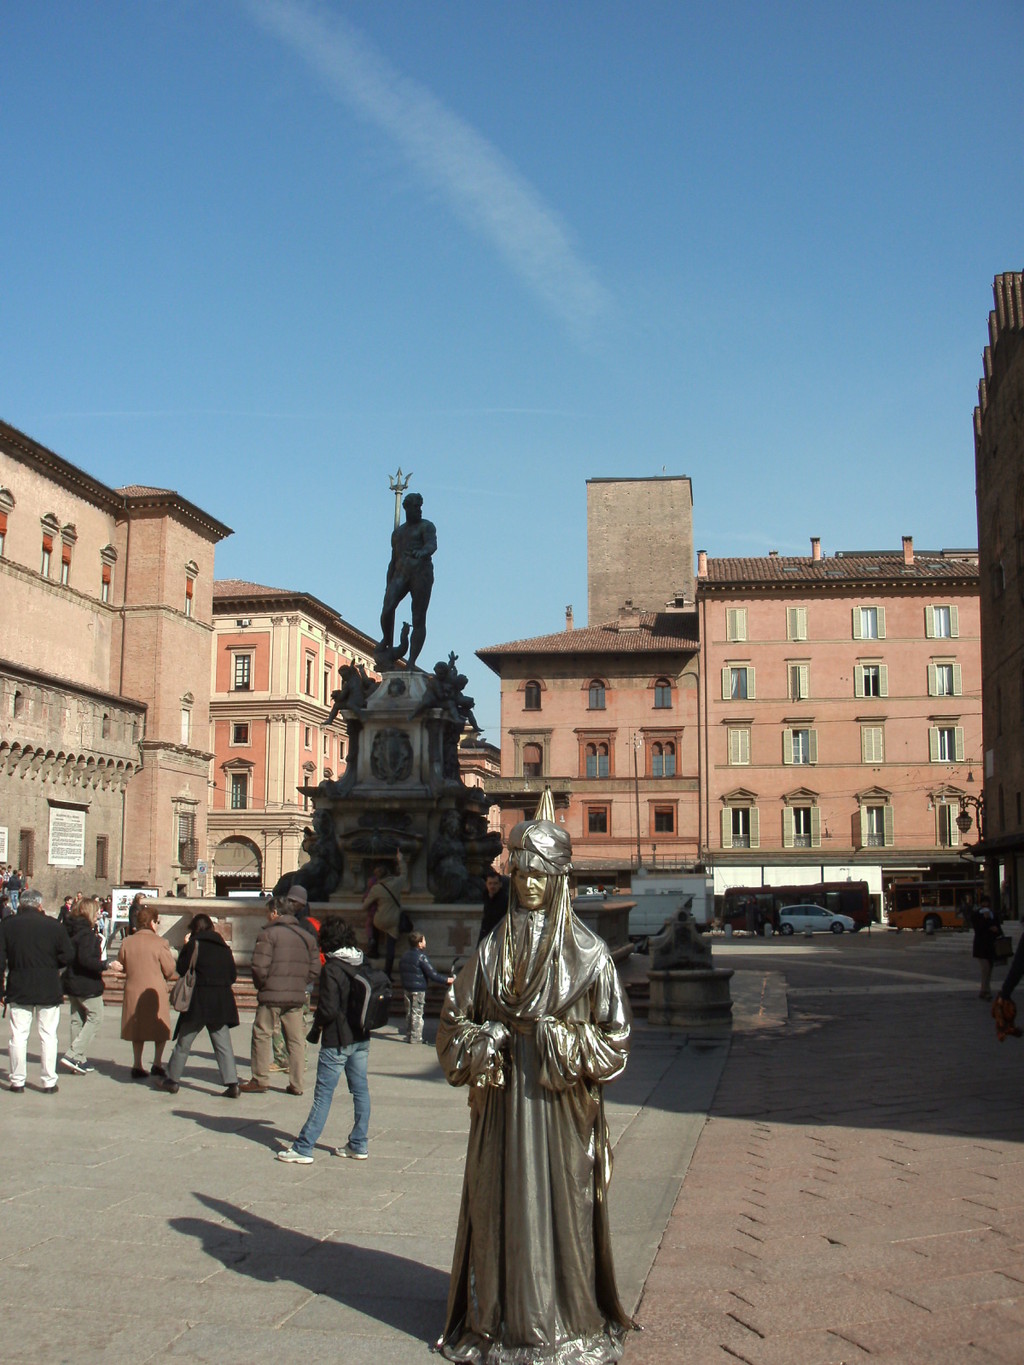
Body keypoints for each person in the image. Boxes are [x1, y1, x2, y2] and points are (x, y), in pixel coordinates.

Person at [436, 791, 633, 1364]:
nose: (527, 885)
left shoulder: (591, 954)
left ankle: (570, 1322)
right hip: (502, 1109)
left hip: (560, 1109)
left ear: (560, 881)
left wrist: (561, 1040)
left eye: (540, 875)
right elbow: (453, 1024)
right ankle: (500, 1321)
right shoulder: (491, 951)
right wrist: (489, 1038)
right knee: (500, 1208)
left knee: (566, 1208)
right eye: (521, 873)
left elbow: (616, 1041)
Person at [277, 917, 373, 1164]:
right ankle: (359, 1144)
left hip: (338, 1039)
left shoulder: (331, 968)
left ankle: (304, 1147)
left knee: (323, 1095)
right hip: (361, 1036)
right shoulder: (362, 961)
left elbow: (328, 1009)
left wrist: (316, 1026)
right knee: (360, 1091)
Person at [240, 895, 320, 1095]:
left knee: (262, 1033)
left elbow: (259, 966)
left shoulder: (268, 934)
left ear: (275, 913)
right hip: (296, 995)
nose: (267, 916)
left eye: (268, 912)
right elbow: (315, 967)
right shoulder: (306, 936)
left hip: (271, 995)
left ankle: (260, 1079)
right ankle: (297, 1083)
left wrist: (263, 985)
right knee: (296, 1039)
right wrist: (301, 982)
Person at [0, 888, 74, 1093]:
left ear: (21, 904)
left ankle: (17, 1080)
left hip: (19, 985)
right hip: (48, 985)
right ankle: (49, 1081)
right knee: (48, 1035)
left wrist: (1, 988)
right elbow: (68, 955)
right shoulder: (54, 926)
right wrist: (53, 964)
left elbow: (0, 959)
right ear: (40, 905)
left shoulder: (7, 925)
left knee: (18, 1035)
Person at [160, 913, 240, 1098]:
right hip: (220, 1001)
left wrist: (185, 945)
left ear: (194, 929)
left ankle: (172, 1079)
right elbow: (232, 975)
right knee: (223, 1044)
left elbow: (182, 969)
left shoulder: (194, 944)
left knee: (184, 1041)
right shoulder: (224, 948)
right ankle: (232, 1083)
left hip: (198, 1000)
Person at [108, 902, 176, 1078]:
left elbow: (122, 963)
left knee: (137, 1027)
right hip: (155, 990)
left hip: (133, 988)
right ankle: (157, 1062)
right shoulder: (161, 942)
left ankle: (137, 1063)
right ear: (152, 922)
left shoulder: (127, 941)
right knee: (159, 1026)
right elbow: (169, 970)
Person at [379, 491, 436, 669]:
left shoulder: (427, 526)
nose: (419, 510)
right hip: (400, 573)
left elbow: (432, 545)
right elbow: (393, 560)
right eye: (416, 507)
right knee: (387, 608)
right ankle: (387, 639)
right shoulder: (397, 533)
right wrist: (388, 582)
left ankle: (411, 661)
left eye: (420, 507)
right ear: (406, 508)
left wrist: (423, 552)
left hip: (421, 573)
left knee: (418, 618)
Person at [61, 896, 106, 1075]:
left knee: (77, 1019)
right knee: (96, 1017)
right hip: (86, 983)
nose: (99, 915)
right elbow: (86, 959)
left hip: (71, 979)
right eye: (97, 912)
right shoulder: (86, 934)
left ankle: (78, 1060)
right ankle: (73, 1054)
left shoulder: (70, 929)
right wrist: (105, 964)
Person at [360, 850, 408, 979]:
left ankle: (373, 946)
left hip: (380, 920)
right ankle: (388, 973)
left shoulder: (376, 888)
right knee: (390, 947)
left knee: (373, 924)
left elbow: (365, 906)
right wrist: (400, 859)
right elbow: (404, 873)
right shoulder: (397, 882)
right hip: (394, 920)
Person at [399, 931, 453, 1044]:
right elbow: (432, 974)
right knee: (417, 1013)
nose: (425, 942)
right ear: (419, 943)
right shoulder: (421, 957)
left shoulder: (404, 955)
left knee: (409, 1013)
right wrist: (448, 980)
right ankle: (416, 1037)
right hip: (418, 989)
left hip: (407, 988)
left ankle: (409, 1035)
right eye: (424, 940)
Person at [972, 895, 1002, 1000]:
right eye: (983, 902)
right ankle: (985, 991)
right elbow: (977, 929)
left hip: (991, 946)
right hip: (980, 946)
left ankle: (984, 990)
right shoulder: (977, 915)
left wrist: (996, 929)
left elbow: (999, 929)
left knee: (989, 970)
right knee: (985, 968)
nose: (985, 905)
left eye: (987, 902)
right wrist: (985, 920)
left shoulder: (993, 915)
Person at [477, 868, 509, 945]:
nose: (492, 886)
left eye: (495, 883)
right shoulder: (483, 898)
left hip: (499, 937)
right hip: (486, 935)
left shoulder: (505, 900)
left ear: (500, 884)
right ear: (486, 884)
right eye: (490, 883)